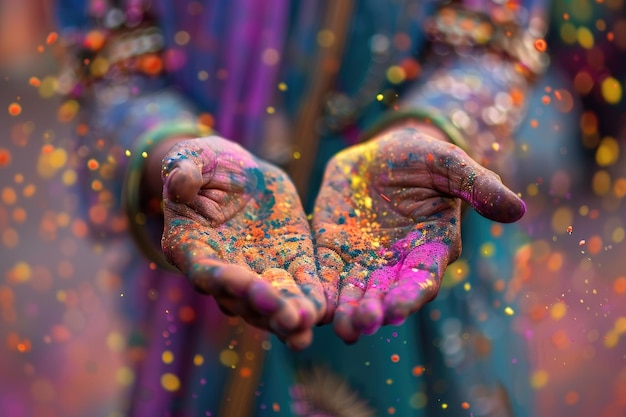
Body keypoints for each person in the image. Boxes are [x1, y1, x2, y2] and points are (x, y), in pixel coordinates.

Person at [53, 0, 575, 416]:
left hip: (410, 227)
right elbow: (114, 63)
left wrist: (428, 131)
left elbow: (495, 40)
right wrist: (172, 151)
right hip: (211, 227)